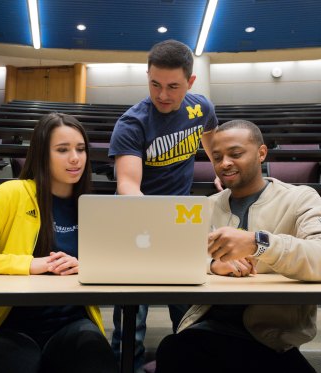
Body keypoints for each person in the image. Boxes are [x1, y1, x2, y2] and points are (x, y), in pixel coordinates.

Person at [155, 119, 321, 373]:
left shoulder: (300, 198)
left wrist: (257, 243)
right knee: (175, 350)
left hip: (271, 340)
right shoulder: (206, 207)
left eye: (235, 154)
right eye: (217, 157)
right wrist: (213, 265)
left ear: (261, 153)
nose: (224, 163)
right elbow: (174, 258)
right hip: (206, 331)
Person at [0, 113, 118, 373]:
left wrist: (85, 265)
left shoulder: (91, 205)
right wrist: (29, 264)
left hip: (74, 323)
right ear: (42, 154)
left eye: (80, 149)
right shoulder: (11, 194)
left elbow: (117, 265)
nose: (75, 158)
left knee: (97, 362)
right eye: (62, 150)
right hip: (11, 326)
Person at [107, 39, 220, 371]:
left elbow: (211, 134)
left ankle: (186, 363)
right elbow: (127, 184)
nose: (162, 94)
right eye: (154, 84)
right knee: (131, 316)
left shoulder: (202, 108)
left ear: (191, 82)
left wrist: (218, 167)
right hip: (135, 221)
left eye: (173, 86)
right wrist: (153, 222)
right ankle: (126, 364)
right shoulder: (133, 123)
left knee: (187, 309)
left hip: (180, 221)